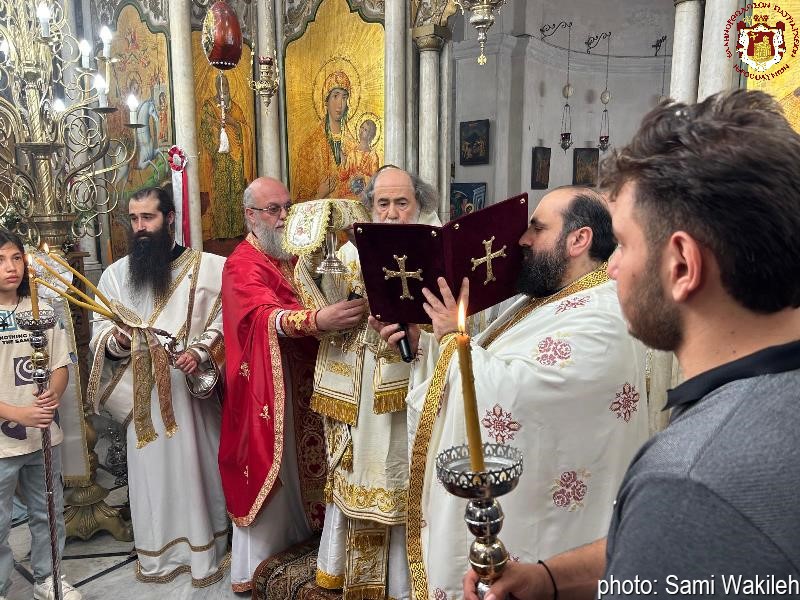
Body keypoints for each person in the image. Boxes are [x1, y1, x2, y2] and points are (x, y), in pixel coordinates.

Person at [464, 90, 800, 600]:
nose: (612, 267)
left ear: (682, 265)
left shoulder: (691, 478)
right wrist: (551, 579)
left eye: (622, 242)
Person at [374, 186, 650, 600]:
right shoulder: (553, 298)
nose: (522, 240)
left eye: (537, 229)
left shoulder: (603, 315)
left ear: (579, 240)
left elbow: (521, 397)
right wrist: (428, 341)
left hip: (556, 546)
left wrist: (453, 338)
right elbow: (491, 356)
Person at [295, 167, 439, 599]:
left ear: (419, 205)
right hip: (359, 399)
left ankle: (403, 587)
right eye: (383, 204)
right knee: (359, 486)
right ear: (370, 207)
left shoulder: (436, 254)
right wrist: (316, 249)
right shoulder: (351, 256)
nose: (392, 214)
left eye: (402, 203)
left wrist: (418, 333)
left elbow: (463, 328)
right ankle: (360, 583)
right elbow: (315, 295)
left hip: (409, 396)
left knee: (401, 485)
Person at [219, 176, 367, 592]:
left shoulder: (290, 255)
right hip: (267, 388)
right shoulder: (241, 263)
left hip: (304, 378)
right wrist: (318, 320)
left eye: (288, 207)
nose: (284, 217)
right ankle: (260, 566)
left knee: (308, 474)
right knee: (276, 473)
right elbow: (261, 317)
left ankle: (303, 550)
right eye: (273, 210)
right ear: (250, 215)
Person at [89, 187, 229, 586]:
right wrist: (115, 342)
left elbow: (225, 324)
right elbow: (100, 334)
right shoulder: (116, 275)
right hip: (143, 400)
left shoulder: (210, 269)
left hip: (192, 397)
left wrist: (201, 353)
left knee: (197, 470)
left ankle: (208, 547)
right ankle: (159, 553)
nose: (140, 228)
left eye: (147, 218)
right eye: (133, 219)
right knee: (152, 478)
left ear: (169, 218)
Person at [0, 230, 81, 600]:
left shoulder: (42, 311)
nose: (10, 268)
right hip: (4, 438)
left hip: (44, 433)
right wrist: (18, 413)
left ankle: (48, 577)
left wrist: (54, 393)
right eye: (1, 260)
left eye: (16, 258)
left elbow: (61, 363)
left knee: (47, 511)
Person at [291, 71, 360, 200]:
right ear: (326, 101)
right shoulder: (309, 148)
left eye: (344, 97)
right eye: (335, 96)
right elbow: (300, 202)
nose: (340, 104)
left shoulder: (354, 146)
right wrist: (320, 194)